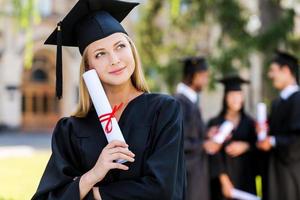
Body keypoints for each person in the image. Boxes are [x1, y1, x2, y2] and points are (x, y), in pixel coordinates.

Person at [32, 0, 186, 199]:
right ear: (89, 68)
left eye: (120, 46)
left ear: (132, 50)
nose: (114, 59)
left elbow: (163, 190)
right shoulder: (71, 130)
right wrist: (92, 175)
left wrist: (96, 194)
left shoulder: (164, 111)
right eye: (100, 54)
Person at [204, 75, 257, 200]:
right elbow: (212, 154)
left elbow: (258, 148)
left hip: (245, 180)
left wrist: (246, 146)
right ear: (225, 97)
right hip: (222, 182)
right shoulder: (215, 123)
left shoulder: (250, 123)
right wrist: (224, 181)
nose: (235, 99)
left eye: (238, 95)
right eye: (231, 95)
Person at [257, 51, 300, 200]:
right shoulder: (277, 103)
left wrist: (273, 141)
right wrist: (263, 132)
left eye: (273, 71)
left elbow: (297, 141)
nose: (270, 75)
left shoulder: (298, 100)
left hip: (291, 175)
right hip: (274, 173)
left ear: (286, 71)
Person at [174, 56, 210, 200]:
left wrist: (207, 134)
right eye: (204, 76)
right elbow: (178, 141)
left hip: (196, 172)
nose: (206, 81)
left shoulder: (191, 101)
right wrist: (204, 145)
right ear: (194, 76)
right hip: (188, 174)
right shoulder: (180, 103)